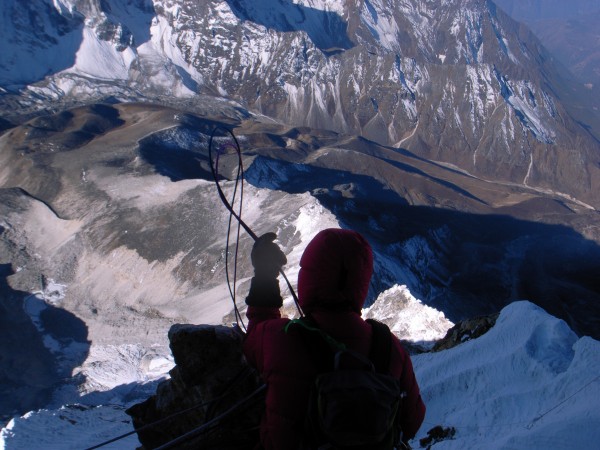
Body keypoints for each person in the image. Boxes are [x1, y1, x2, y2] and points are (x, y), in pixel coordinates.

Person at [243, 228, 426, 449]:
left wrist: (265, 275)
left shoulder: (282, 337)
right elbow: (412, 422)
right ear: (360, 282)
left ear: (309, 276)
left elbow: (253, 337)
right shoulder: (389, 347)